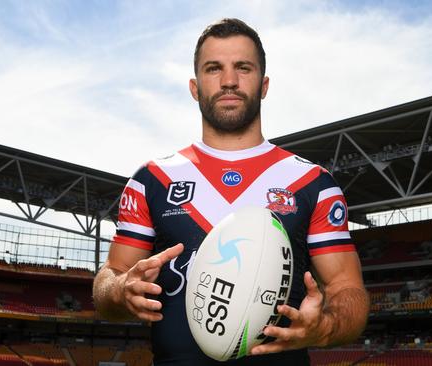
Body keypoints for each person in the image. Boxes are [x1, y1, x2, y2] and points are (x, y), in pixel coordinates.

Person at [93, 18, 369, 365]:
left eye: (243, 68)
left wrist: (327, 327)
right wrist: (120, 290)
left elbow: (348, 289)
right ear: (194, 87)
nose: (228, 81)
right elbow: (111, 278)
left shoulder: (312, 182)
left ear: (264, 84)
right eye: (213, 69)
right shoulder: (152, 179)